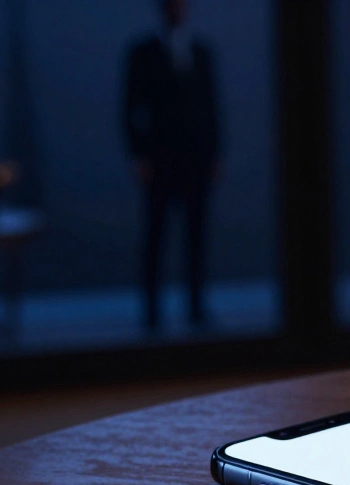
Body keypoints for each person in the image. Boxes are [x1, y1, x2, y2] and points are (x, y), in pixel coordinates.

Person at [123, 0, 220, 329]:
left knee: (196, 238)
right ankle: (151, 311)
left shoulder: (201, 52)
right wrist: (138, 156)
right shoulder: (143, 53)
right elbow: (129, 108)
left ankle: (196, 307)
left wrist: (214, 154)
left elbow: (211, 107)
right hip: (160, 160)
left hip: (194, 159)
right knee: (156, 238)